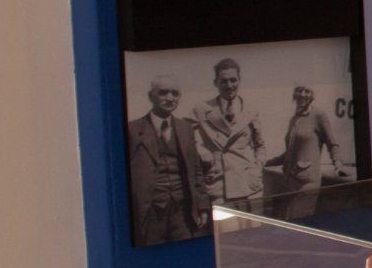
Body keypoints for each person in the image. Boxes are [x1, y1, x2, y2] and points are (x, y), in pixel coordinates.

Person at [126, 75, 209, 244]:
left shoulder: (186, 129)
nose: (170, 98)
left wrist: (202, 207)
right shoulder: (132, 130)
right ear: (151, 96)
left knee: (184, 254)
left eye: (175, 93)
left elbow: (196, 170)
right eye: (163, 93)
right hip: (150, 212)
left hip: (182, 211)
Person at [193, 57, 268, 208]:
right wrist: (200, 149)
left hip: (248, 184)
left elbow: (260, 145)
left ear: (239, 80)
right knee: (225, 231)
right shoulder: (201, 109)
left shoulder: (250, 110)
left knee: (252, 230)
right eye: (224, 81)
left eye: (233, 80)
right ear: (216, 82)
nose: (229, 85)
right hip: (219, 185)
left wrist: (257, 167)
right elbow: (186, 137)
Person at [279, 86, 342, 190]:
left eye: (307, 91)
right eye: (299, 90)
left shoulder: (319, 115)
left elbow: (332, 144)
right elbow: (290, 153)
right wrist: (265, 162)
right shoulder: (294, 119)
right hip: (290, 181)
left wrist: (338, 164)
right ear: (294, 94)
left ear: (312, 96)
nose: (303, 94)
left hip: (307, 183)